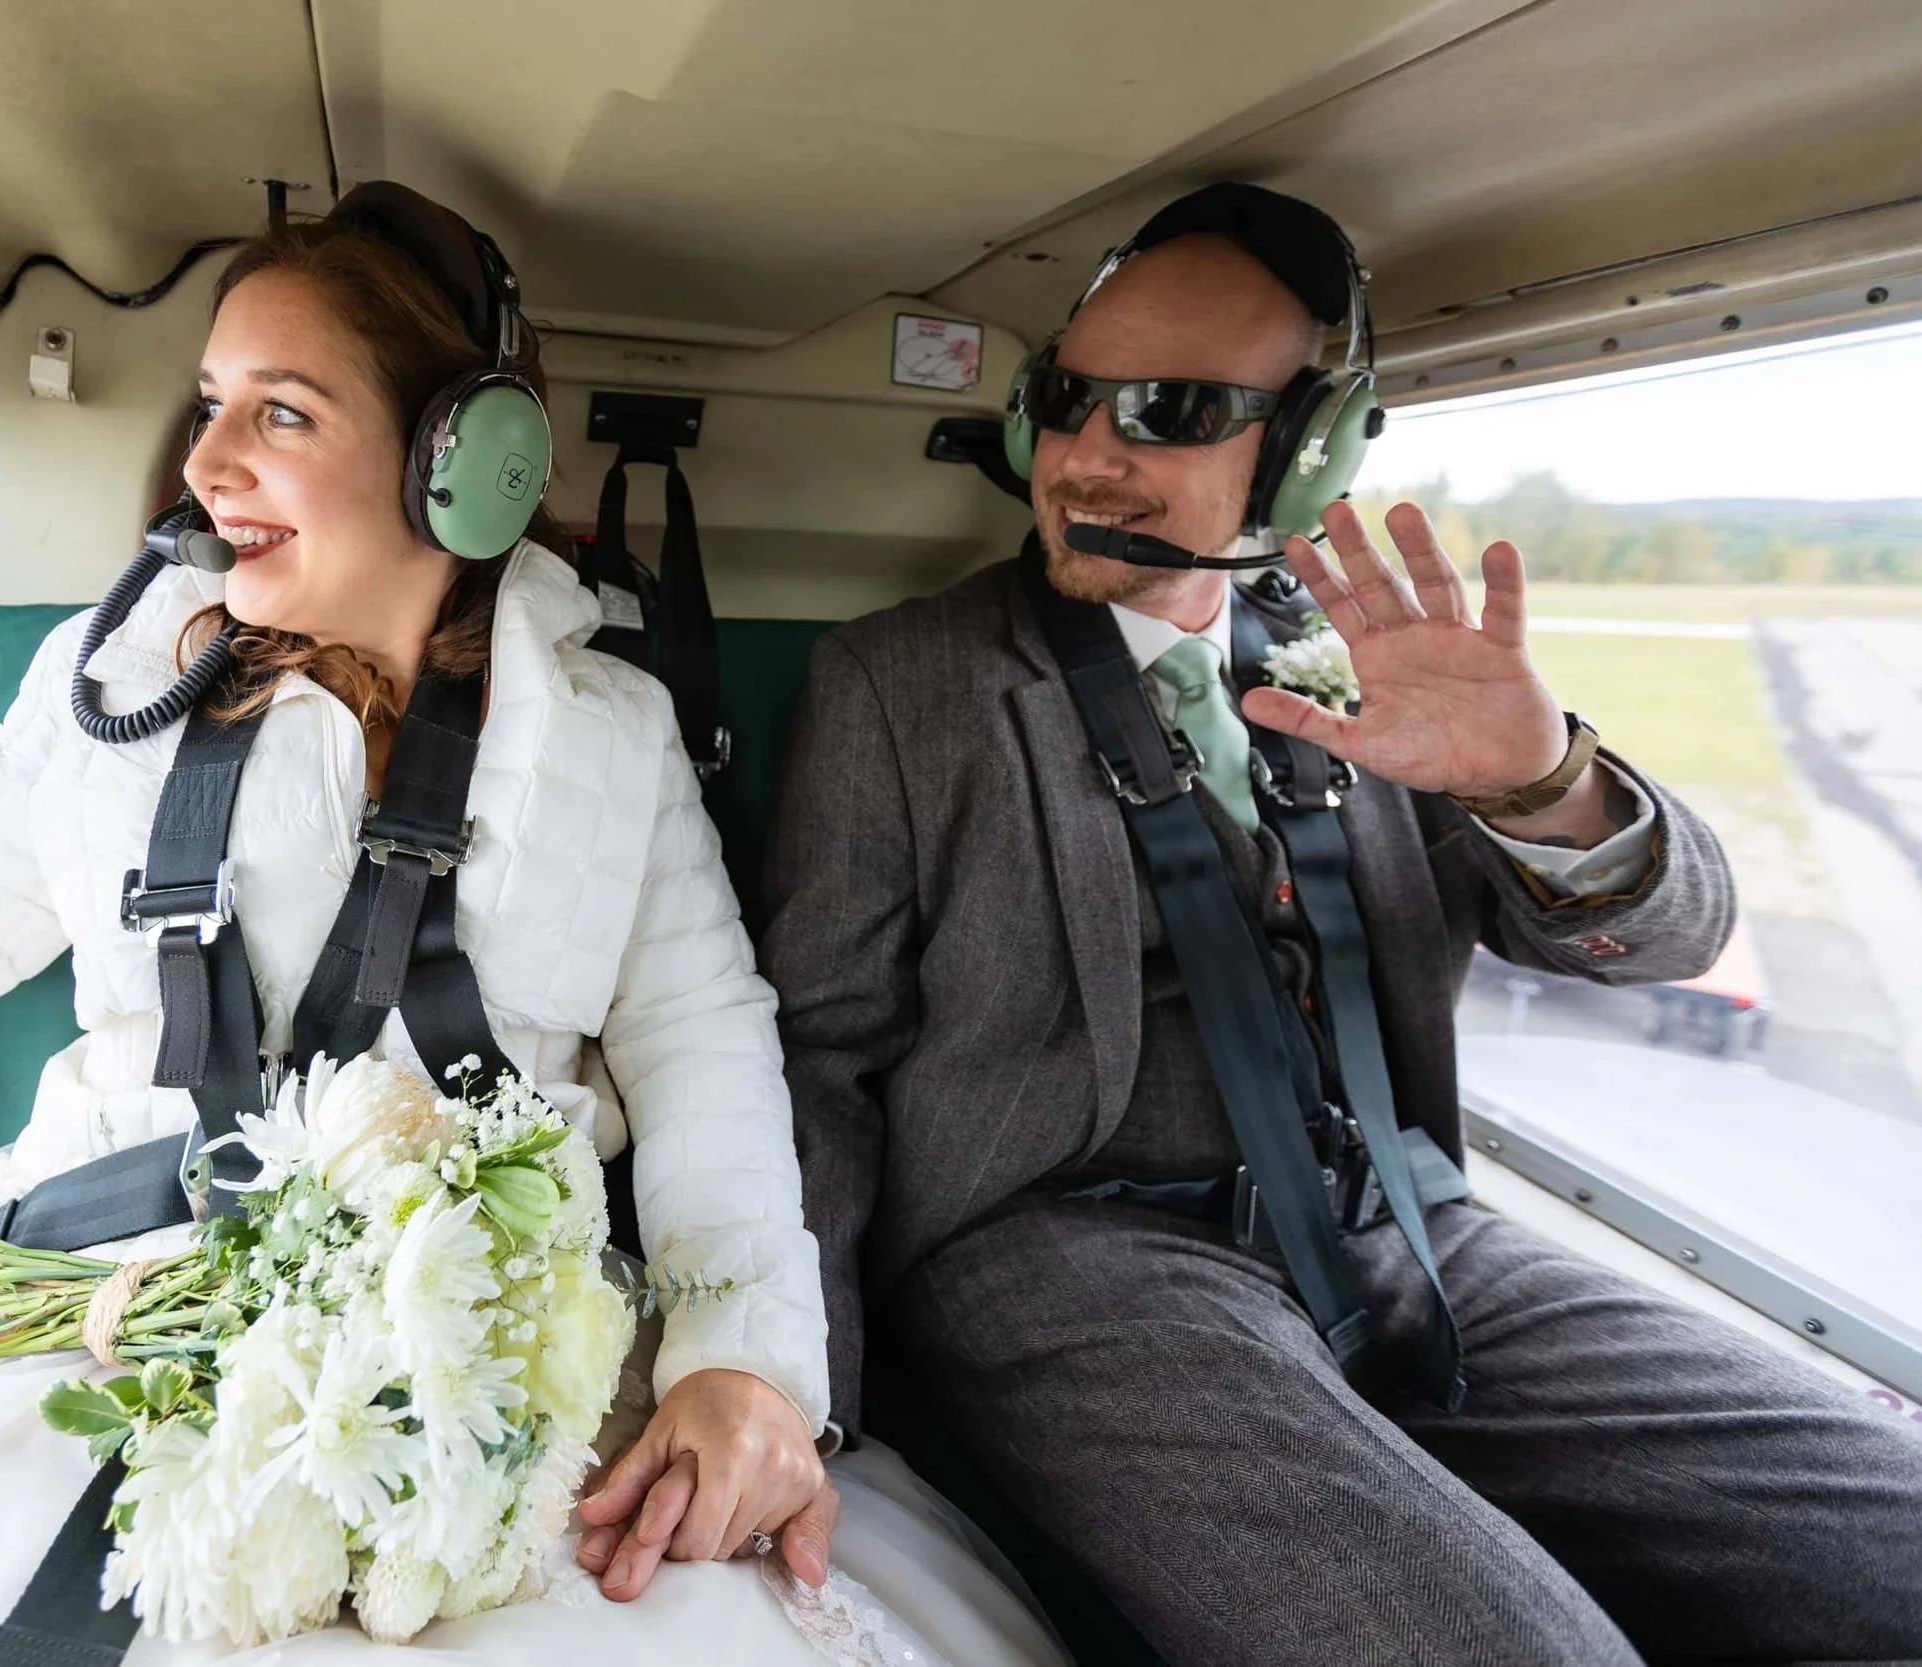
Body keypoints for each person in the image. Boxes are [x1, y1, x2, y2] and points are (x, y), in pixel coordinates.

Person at [0, 186, 1064, 1667]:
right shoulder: (113, 685)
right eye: (211, 403)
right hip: (100, 1311)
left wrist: (746, 1362)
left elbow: (709, 1061)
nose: (207, 465)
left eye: (280, 412)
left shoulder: (612, 740)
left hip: (496, 1366)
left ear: (466, 460)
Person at [763, 181, 1922, 1666]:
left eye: (1173, 408)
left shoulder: (1378, 673)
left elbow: (1670, 935)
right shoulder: (901, 682)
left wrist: (1539, 777)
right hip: (1067, 1258)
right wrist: (803, 1396)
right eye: (1069, 399)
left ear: (1304, 454)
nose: (1088, 454)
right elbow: (815, 1059)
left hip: (1415, 1225)